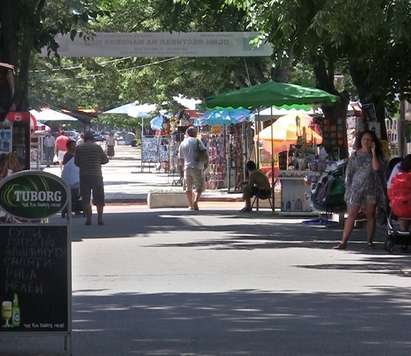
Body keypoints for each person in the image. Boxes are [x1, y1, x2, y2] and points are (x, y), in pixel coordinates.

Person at [334, 130, 386, 249]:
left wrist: (373, 152)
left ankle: (369, 241)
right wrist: (348, 189)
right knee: (352, 214)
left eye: (369, 140)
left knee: (370, 215)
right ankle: (344, 241)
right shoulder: (355, 155)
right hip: (356, 189)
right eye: (364, 139)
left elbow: (377, 168)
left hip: (371, 189)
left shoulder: (377, 155)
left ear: (372, 142)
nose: (366, 142)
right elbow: (349, 173)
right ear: (360, 141)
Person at [75, 131, 109, 225]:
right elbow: (105, 160)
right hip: (97, 175)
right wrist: (97, 162)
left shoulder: (79, 148)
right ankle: (100, 219)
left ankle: (88, 219)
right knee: (99, 197)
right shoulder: (97, 147)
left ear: (84, 138)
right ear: (92, 138)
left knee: (85, 198)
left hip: (84, 175)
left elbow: (76, 162)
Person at [178, 126, 207, 211]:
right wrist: (205, 164)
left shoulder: (183, 143)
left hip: (187, 167)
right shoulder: (198, 141)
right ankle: (195, 201)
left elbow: (181, 158)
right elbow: (204, 152)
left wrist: (182, 167)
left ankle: (190, 205)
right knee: (199, 187)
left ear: (187, 133)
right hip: (197, 166)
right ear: (194, 133)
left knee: (188, 187)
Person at [388, 154, 411, 232]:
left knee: (403, 209)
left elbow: (390, 191)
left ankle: (403, 232)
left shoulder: (396, 177)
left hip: (398, 209)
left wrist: (392, 202)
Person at [61, 140, 81, 216]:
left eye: (75, 145)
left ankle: (76, 209)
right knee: (70, 194)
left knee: (76, 194)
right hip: (69, 177)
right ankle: (69, 209)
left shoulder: (76, 154)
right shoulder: (67, 155)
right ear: (68, 146)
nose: (75, 146)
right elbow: (67, 166)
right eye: (73, 145)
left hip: (76, 177)